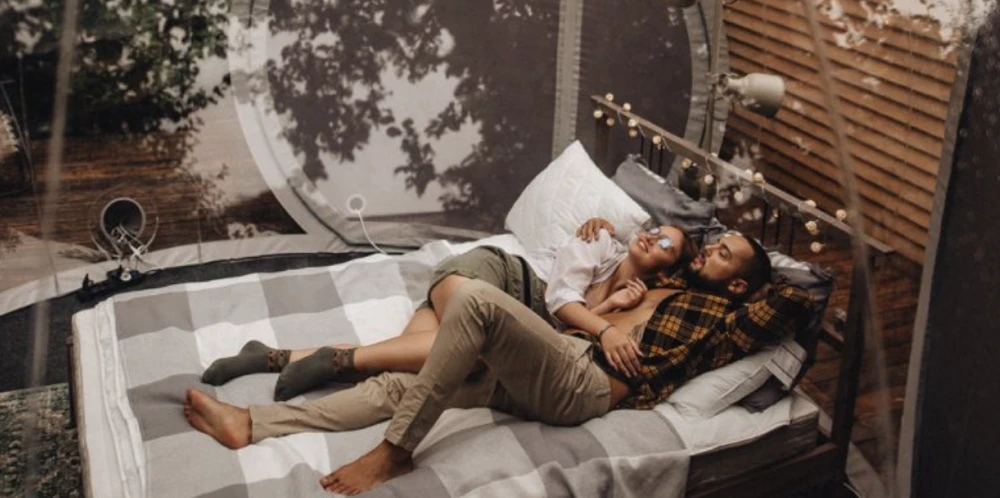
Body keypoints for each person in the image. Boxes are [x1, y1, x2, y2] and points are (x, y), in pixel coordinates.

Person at [184, 228, 814, 494]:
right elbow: (642, 239)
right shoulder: (668, 281)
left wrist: (780, 266)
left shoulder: (725, 319)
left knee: (478, 305)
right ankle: (254, 423)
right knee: (406, 381)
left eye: (724, 254)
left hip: (590, 385)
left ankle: (395, 451)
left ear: (740, 285)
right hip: (561, 358)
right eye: (712, 242)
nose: (709, 250)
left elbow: (794, 303)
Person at [200, 219, 697, 400]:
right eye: (656, 230)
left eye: (666, 245)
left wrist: (610, 307)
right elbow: (558, 302)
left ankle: (269, 355)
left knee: (400, 364)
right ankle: (333, 360)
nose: (653, 237)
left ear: (667, 270)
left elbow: (566, 341)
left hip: (497, 309)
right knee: (465, 355)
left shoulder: (638, 305)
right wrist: (604, 322)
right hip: (495, 277)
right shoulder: (601, 238)